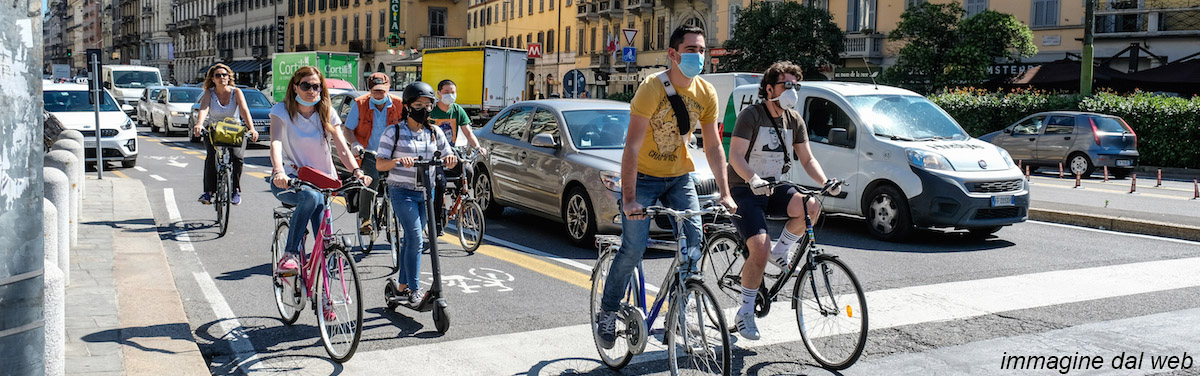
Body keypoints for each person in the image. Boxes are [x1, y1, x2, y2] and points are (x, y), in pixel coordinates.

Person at [595, 25, 736, 349]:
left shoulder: (706, 92)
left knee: (694, 244)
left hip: (679, 178)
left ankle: (678, 314)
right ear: (673, 54)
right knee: (633, 248)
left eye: (701, 50)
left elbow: (714, 147)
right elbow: (631, 147)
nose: (698, 56)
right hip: (643, 177)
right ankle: (608, 310)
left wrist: (726, 193)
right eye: (691, 50)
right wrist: (629, 200)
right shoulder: (651, 88)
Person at [726, 62, 840, 340]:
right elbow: (736, 156)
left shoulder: (794, 119)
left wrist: (826, 182)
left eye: (796, 86)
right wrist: (752, 178)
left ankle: (782, 251)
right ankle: (745, 311)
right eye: (786, 85)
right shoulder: (751, 115)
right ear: (769, 89)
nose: (792, 91)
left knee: (811, 205)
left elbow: (807, 157)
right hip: (744, 189)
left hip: (774, 187)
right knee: (759, 249)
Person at [269, 66, 371, 280]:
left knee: (326, 246)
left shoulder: (327, 112)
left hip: (323, 183)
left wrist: (357, 171)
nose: (312, 90)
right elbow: (276, 142)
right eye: (306, 85)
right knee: (310, 195)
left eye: (317, 86)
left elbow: (342, 148)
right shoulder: (281, 111)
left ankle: (326, 301)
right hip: (289, 181)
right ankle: (290, 253)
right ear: (295, 87)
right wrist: (279, 171)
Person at [376, 82, 458, 305]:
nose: (424, 109)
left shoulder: (434, 132)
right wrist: (397, 161)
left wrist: (450, 160)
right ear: (408, 106)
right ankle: (414, 289)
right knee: (415, 237)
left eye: (428, 105)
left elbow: (448, 156)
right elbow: (380, 164)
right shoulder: (393, 131)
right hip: (402, 191)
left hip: (426, 192)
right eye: (418, 104)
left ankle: (401, 286)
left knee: (412, 240)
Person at [344, 72, 402, 235]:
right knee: (371, 180)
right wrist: (354, 143)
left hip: (393, 152)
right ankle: (366, 219)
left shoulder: (399, 104)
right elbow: (347, 129)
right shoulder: (360, 103)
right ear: (369, 91)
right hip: (369, 151)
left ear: (389, 88)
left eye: (382, 90)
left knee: (401, 180)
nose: (379, 94)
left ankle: (401, 214)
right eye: (375, 91)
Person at [194, 63, 259, 205]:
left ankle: (235, 189)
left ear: (229, 77)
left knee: (237, 157)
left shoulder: (236, 92)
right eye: (218, 75)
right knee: (211, 157)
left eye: (225, 75)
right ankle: (209, 192)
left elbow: (244, 110)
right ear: (212, 78)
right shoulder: (209, 93)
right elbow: (204, 109)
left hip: (233, 130)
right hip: (215, 129)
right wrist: (199, 123)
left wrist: (251, 128)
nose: (222, 77)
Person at [429, 79, 486, 235]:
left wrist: (478, 147)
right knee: (440, 183)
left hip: (451, 153)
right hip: (434, 154)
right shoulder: (431, 112)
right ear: (438, 93)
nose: (450, 95)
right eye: (446, 92)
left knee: (467, 171)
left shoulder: (457, 110)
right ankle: (437, 219)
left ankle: (459, 202)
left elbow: (468, 132)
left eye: (453, 92)